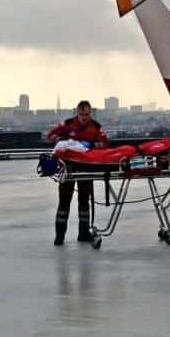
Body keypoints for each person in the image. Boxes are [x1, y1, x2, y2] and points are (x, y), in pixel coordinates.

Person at [47, 100, 108, 245]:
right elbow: (50, 136)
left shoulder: (96, 127)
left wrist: (92, 144)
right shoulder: (68, 124)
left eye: (86, 114)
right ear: (77, 113)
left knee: (84, 201)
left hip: (86, 167)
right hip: (68, 167)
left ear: (90, 113)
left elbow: (105, 143)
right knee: (64, 200)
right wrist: (62, 139)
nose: (84, 117)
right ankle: (59, 236)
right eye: (81, 114)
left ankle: (83, 233)